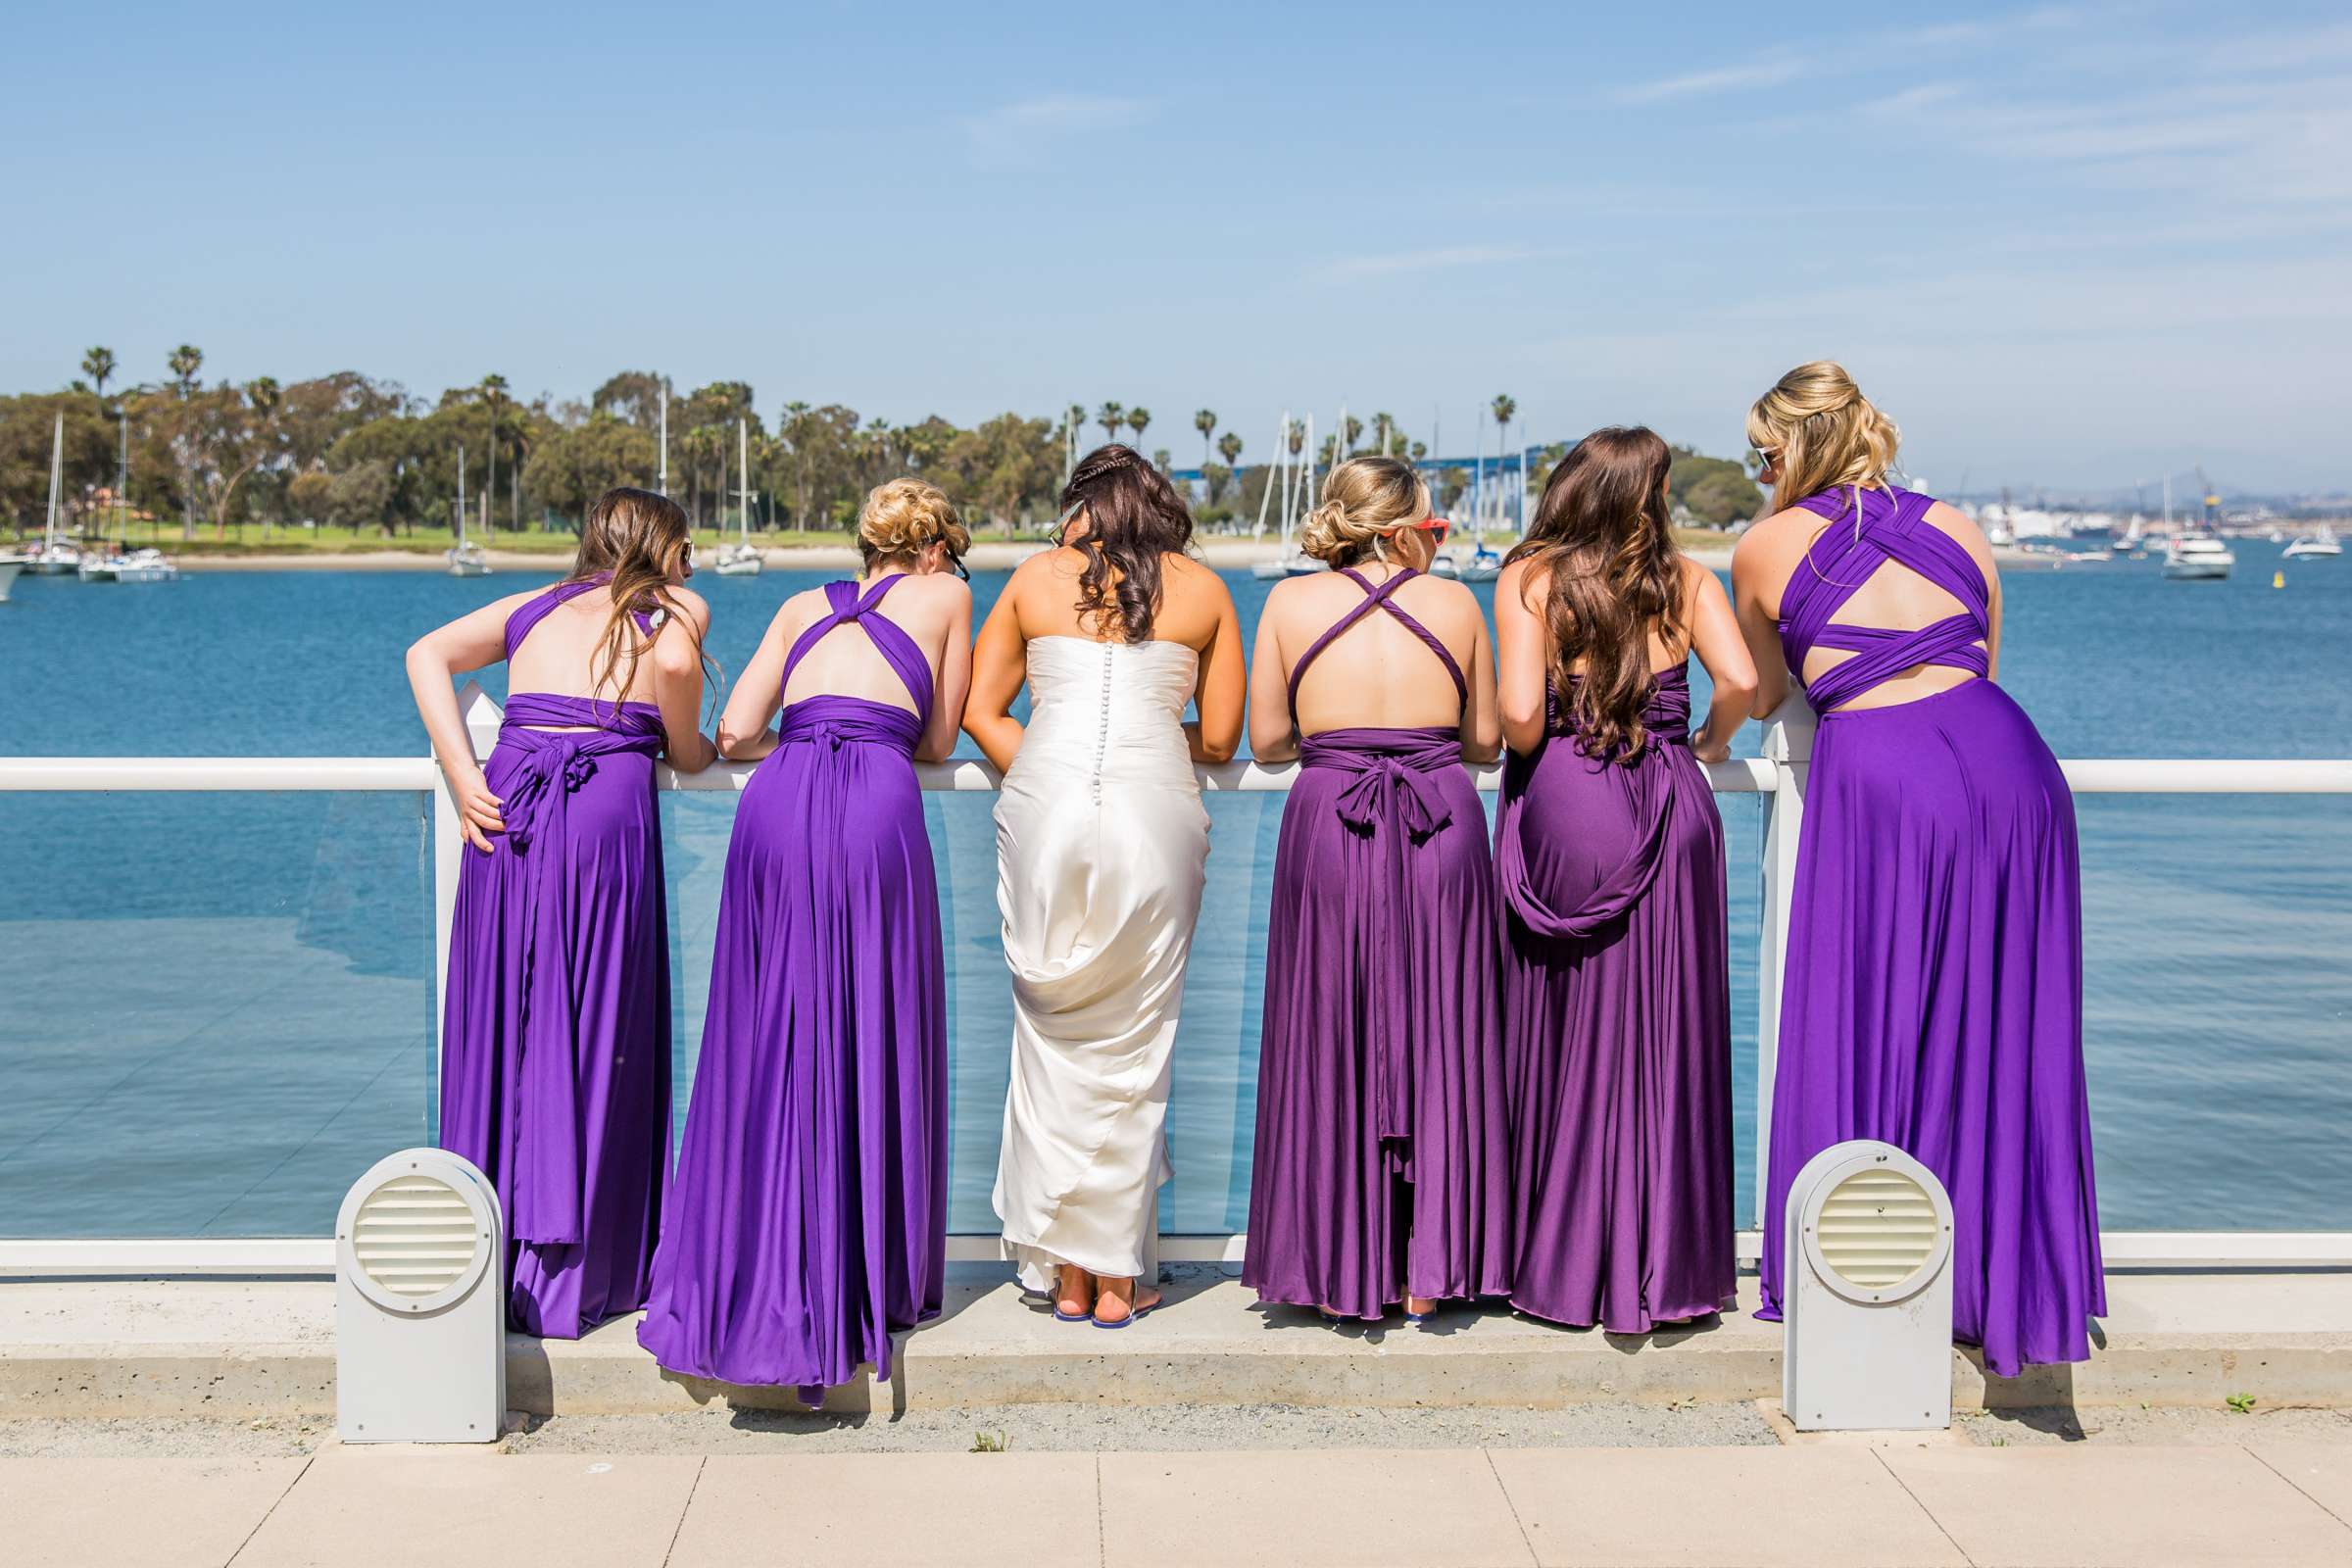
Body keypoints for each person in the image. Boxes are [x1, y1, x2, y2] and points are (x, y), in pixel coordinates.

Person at [1732, 362, 2101, 1376]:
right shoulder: (1961, 526)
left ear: (1792, 449)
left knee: (1872, 1010)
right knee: (1999, 1021)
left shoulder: (1764, 545)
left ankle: (1860, 1259)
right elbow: (1983, 663)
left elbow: (1767, 694)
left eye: (1761, 453)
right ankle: (2002, 1275)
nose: (1758, 470)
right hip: (2011, 764)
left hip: (1887, 776)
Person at [638, 478, 971, 1402]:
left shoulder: (796, 607)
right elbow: (940, 737)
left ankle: (749, 1272)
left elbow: (737, 730)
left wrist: (804, 728)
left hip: (779, 802)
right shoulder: (948, 597)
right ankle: (867, 1275)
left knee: (766, 1034)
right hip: (874, 800)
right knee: (872, 1020)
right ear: (937, 548)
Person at [406, 486, 716, 1338]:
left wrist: (465, 774)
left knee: (508, 1015)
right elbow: (683, 691)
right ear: (664, 547)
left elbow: (426, 653)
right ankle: (580, 1272)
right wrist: (691, 745)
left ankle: (487, 1263)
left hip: (507, 800)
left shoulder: (531, 606)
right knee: (597, 1023)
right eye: (688, 547)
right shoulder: (670, 608)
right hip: (601, 813)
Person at [966, 444, 1244, 1328]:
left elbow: (980, 710)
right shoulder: (1202, 589)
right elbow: (1226, 736)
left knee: (1052, 1035)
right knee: (1138, 1040)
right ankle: (1117, 1280)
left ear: (1081, 507)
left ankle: (1066, 1274)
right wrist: (1146, 748)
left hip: (1043, 808)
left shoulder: (1031, 579)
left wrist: (1047, 768)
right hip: (1155, 809)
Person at [1493, 427, 1753, 1333]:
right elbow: (1744, 679)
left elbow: (1522, 718)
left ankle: (1565, 1266)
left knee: (1567, 1029)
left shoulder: (1533, 581)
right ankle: (1663, 1265)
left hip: (1574, 799)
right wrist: (1708, 744)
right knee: (1665, 1031)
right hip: (1675, 806)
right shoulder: (1686, 581)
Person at [1241, 456, 1511, 1324]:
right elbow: (1484, 742)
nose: (1437, 539)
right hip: (1441, 818)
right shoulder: (1457, 604)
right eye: (1431, 527)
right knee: (1445, 1031)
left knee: (1331, 1028)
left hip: (1332, 822)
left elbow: (1271, 740)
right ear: (1400, 529)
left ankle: (1335, 1267)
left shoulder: (1287, 604)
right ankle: (1432, 1267)